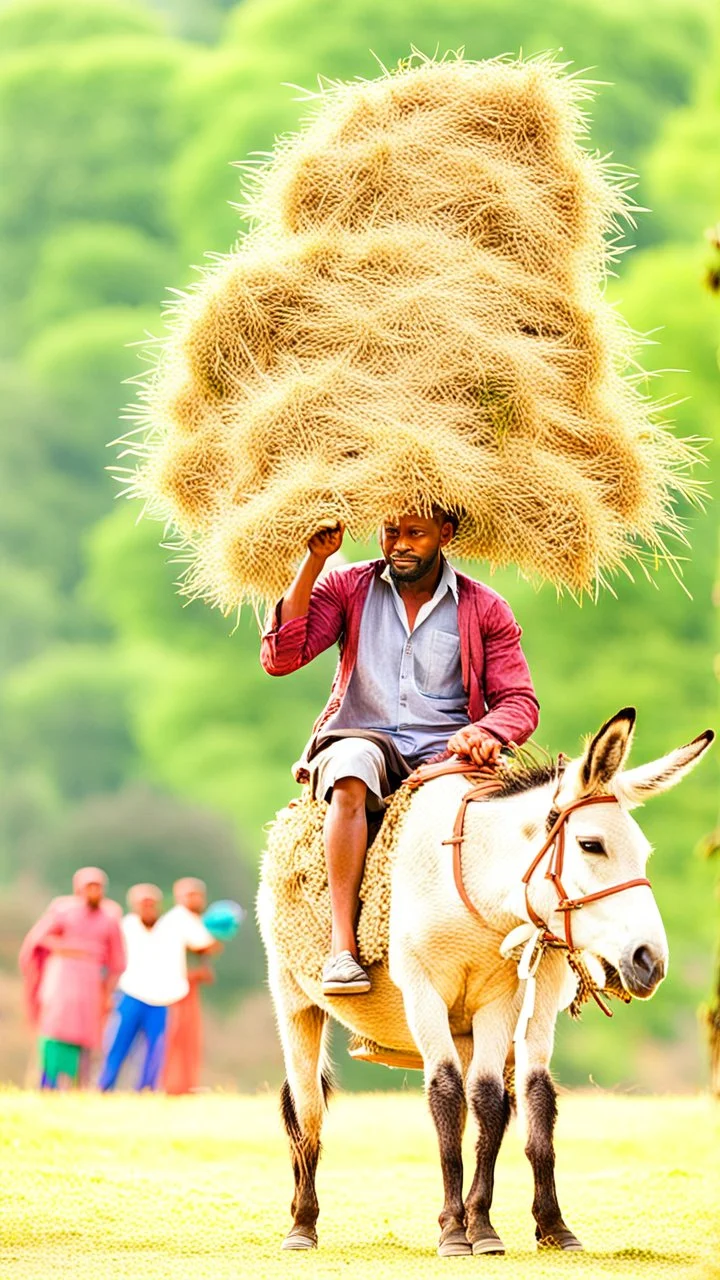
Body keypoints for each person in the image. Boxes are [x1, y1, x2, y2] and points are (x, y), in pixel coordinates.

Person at [260, 510, 539, 996]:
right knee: (349, 769)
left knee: (513, 815)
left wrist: (488, 732)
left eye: (415, 534)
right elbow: (282, 658)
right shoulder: (348, 586)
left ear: (445, 536)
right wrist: (314, 560)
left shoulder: (486, 607)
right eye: (392, 533)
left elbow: (519, 701)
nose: (400, 545)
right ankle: (341, 949)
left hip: (444, 751)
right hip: (359, 735)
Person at [99, 882, 219, 1091]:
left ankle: (146, 1089)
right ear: (134, 905)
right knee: (118, 1044)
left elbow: (204, 945)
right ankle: (105, 1086)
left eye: (151, 903)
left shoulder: (172, 925)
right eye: (142, 903)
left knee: (155, 1050)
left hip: (161, 997)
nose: (147, 907)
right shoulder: (126, 927)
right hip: (130, 993)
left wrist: (218, 926)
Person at [19, 867, 126, 1089]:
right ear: (79, 888)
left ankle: (80, 1085)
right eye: (90, 886)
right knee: (55, 1026)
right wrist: (69, 949)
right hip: (62, 977)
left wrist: (109, 991)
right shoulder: (63, 910)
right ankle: (47, 1083)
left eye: (98, 887)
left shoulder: (110, 916)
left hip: (91, 981)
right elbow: (39, 939)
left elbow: (117, 959)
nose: (94, 892)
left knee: (87, 1032)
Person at [163, 878, 215, 1096]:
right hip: (174, 987)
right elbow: (203, 944)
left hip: (187, 987)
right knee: (175, 1036)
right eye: (188, 895)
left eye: (197, 895)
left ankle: (187, 1084)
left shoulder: (193, 919)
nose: (194, 899)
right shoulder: (179, 918)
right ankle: (172, 1085)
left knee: (190, 1038)